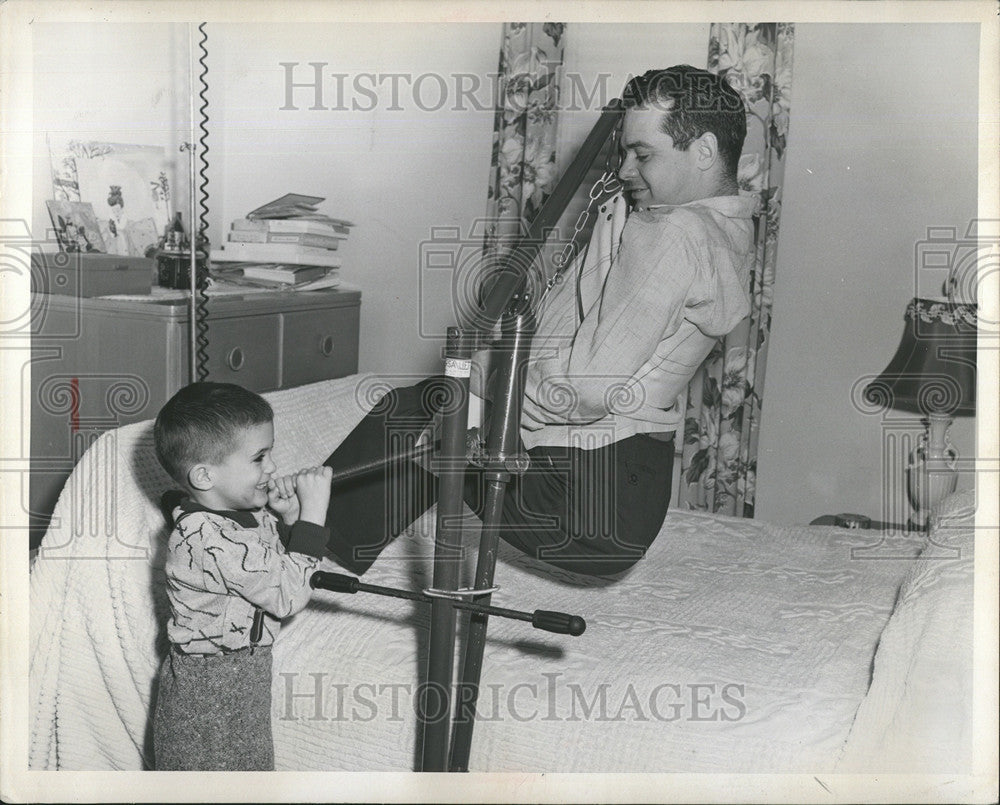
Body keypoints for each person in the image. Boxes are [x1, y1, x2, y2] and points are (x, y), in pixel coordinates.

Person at [324, 64, 755, 577]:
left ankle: (299, 555)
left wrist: (482, 396)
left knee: (418, 413)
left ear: (704, 151)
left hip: (579, 491)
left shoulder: (673, 232)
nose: (624, 170)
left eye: (642, 154)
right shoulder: (726, 228)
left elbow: (587, 386)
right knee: (429, 414)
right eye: (622, 153)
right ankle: (315, 549)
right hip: (623, 497)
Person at [151, 382, 332, 771]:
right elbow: (287, 596)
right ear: (204, 476)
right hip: (208, 696)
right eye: (259, 457)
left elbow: (275, 568)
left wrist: (291, 519)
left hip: (241, 679)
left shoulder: (240, 518)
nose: (272, 467)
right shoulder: (206, 534)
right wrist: (315, 517)